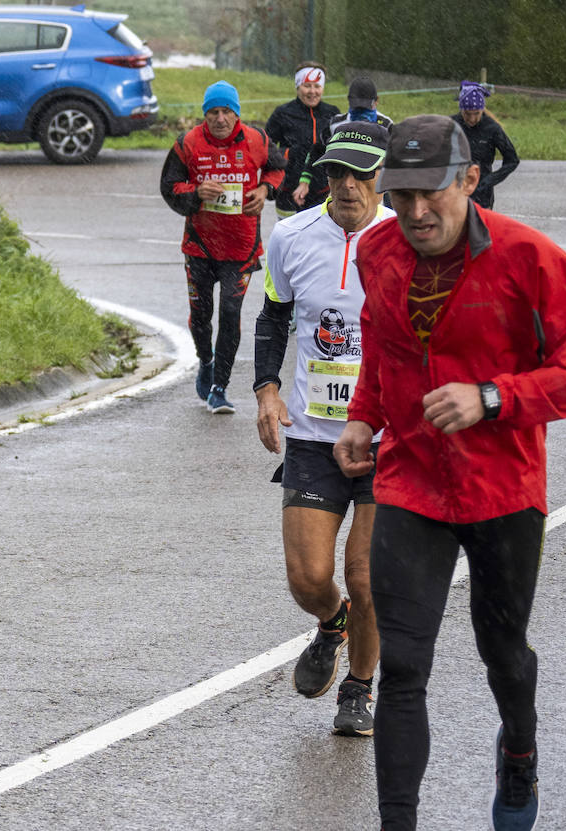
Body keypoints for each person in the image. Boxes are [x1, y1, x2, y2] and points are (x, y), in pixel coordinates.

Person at [332, 115, 566, 831]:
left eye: (432, 194)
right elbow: (384, 350)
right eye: (400, 196)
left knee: (502, 652)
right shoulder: (379, 251)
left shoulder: (531, 259)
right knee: (405, 669)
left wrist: (492, 398)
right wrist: (364, 414)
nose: (416, 213)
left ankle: (518, 750)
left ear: (471, 179)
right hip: (412, 481)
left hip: (502, 487)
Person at [253, 121, 396, 737]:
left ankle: (360, 689)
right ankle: (331, 621)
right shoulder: (289, 236)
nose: (348, 185)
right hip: (314, 434)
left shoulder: (406, 240)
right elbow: (273, 315)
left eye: (361, 174)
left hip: (390, 439)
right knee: (309, 578)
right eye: (337, 172)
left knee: (366, 578)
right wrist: (266, 388)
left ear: (380, 179)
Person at [162, 79, 284, 414]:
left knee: (230, 314)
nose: (220, 119)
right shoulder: (188, 143)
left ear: (237, 114)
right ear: (205, 115)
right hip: (200, 247)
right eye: (213, 112)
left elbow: (278, 169)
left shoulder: (257, 139)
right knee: (202, 316)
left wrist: (265, 191)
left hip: (242, 248)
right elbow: (169, 186)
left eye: (227, 111)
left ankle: (220, 386)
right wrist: (195, 192)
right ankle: (205, 360)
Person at [301, 76, 394, 201]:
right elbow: (316, 151)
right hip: (344, 185)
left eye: (365, 107)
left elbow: (396, 161)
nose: (360, 111)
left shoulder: (387, 125)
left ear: (376, 101)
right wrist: (305, 180)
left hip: (375, 188)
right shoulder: (335, 124)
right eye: (356, 106)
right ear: (349, 101)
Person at [265, 63, 339, 218]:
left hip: (322, 191)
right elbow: (265, 146)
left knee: (319, 238)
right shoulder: (282, 113)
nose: (312, 91)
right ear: (298, 87)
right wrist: (289, 154)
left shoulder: (332, 113)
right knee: (289, 239)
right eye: (307, 86)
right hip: (288, 191)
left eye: (317, 86)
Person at [452, 81, 519, 210]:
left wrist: (490, 180)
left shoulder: (492, 128)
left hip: (482, 195)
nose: (472, 119)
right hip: (455, 191)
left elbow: (512, 160)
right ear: (461, 109)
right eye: (467, 113)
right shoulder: (450, 125)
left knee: (479, 228)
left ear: (482, 109)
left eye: (476, 113)